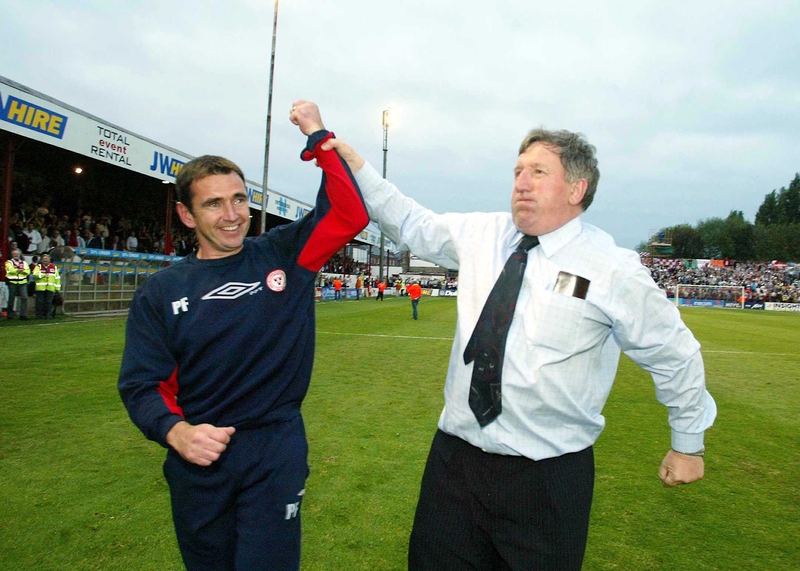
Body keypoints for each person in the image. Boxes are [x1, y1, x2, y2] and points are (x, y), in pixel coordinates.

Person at [320, 121, 716, 571]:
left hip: (547, 480)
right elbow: (410, 220)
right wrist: (356, 166)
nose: (521, 183)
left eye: (538, 172)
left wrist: (688, 443)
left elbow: (674, 354)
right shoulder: (482, 236)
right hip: (455, 465)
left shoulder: (612, 269)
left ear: (576, 188)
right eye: (517, 171)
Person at [117, 100, 368, 571]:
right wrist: (176, 432)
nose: (232, 215)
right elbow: (141, 383)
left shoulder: (284, 256)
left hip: (274, 449)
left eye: (238, 199)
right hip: (200, 457)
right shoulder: (161, 292)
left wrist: (317, 135)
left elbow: (348, 214)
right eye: (213, 203)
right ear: (187, 216)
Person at [4, 248, 30, 320]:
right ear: (12, 255)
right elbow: (10, 270)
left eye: (17, 254)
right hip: (12, 282)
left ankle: (23, 315)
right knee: (11, 299)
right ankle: (10, 315)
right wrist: (18, 270)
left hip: (22, 282)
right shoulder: (9, 262)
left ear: (19, 255)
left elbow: (28, 271)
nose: (16, 255)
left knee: (24, 297)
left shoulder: (24, 262)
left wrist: (21, 271)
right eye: (14, 254)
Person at [33, 253, 60, 319]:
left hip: (50, 287)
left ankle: (48, 315)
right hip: (40, 287)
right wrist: (44, 275)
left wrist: (57, 288)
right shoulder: (38, 267)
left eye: (46, 259)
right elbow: (35, 274)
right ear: (41, 260)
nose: (45, 260)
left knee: (49, 302)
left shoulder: (54, 267)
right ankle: (39, 315)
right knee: (40, 302)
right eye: (44, 259)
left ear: (49, 260)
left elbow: (57, 278)